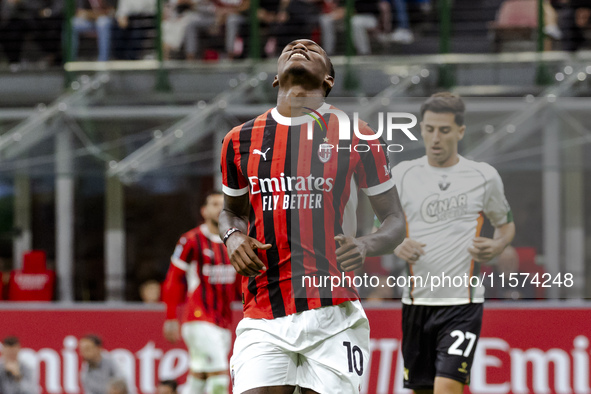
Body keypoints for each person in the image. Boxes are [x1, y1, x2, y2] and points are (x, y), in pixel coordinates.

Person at [219, 38, 406, 393]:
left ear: (328, 81)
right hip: (263, 312)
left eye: (313, 49)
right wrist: (233, 236)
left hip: (333, 314)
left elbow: (395, 220)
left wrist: (366, 244)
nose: (300, 46)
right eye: (290, 47)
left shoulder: (358, 136)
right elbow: (231, 212)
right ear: (276, 79)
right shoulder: (239, 139)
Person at [390, 92, 515, 394]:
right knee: (421, 389)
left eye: (444, 130)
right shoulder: (402, 174)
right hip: (416, 302)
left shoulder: (484, 176)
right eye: (429, 128)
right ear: (420, 128)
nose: (435, 137)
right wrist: (397, 244)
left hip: (462, 303)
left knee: (447, 387)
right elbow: (383, 228)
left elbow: (506, 225)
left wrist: (497, 246)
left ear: (460, 131)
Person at [161, 191, 237, 394]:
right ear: (204, 211)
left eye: (223, 204)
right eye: (214, 204)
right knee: (220, 372)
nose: (219, 208)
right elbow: (173, 279)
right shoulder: (191, 240)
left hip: (223, 319)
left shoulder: (235, 241)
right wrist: (170, 316)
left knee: (200, 374)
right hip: (198, 317)